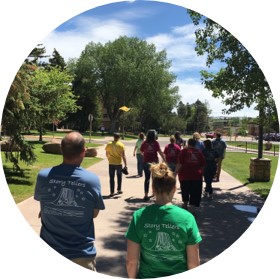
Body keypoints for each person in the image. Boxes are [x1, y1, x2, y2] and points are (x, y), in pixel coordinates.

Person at [34, 132, 105, 271]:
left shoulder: (43, 176)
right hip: (81, 256)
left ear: (62, 150)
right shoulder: (91, 181)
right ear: (83, 152)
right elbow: (94, 213)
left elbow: (43, 204)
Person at [125, 163, 202, 278]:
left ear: (153, 189)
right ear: (174, 189)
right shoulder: (187, 218)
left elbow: (131, 262)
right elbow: (193, 264)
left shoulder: (139, 217)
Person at [175, 138, 206, 215]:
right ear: (195, 144)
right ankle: (192, 209)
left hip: (184, 176)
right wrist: (201, 173)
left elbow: (179, 164)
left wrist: (175, 173)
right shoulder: (199, 152)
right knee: (194, 192)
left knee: (185, 190)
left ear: (188, 144)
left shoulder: (183, 152)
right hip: (196, 176)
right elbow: (203, 165)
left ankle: (185, 205)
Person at [140, 129, 166, 201]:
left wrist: (145, 155)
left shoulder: (144, 143)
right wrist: (164, 159)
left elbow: (141, 151)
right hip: (154, 163)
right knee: (154, 179)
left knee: (147, 179)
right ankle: (154, 193)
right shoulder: (155, 143)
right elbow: (160, 151)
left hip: (146, 162)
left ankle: (146, 195)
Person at [105, 132, 127, 196]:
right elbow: (123, 155)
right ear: (119, 137)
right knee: (119, 177)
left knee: (111, 178)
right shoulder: (121, 145)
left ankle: (112, 192)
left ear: (113, 137)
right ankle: (119, 189)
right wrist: (125, 164)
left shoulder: (109, 144)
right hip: (119, 163)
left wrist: (109, 159)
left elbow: (106, 154)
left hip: (111, 163)